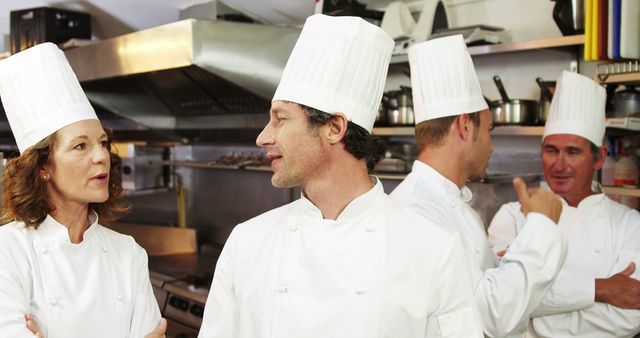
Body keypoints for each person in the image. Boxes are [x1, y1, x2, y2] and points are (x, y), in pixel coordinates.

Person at [198, 14, 482, 338]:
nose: (263, 137)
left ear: (334, 128)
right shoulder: (247, 242)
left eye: (280, 119)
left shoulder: (433, 249)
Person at [390, 34, 568, 338]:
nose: (491, 147)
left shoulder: (453, 204)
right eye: (488, 131)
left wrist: (507, 258)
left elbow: (478, 288)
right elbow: (487, 315)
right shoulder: (417, 210)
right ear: (464, 126)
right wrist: (542, 225)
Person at [0, 43, 166, 337]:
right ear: (43, 167)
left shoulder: (128, 254)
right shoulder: (9, 250)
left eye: (102, 142)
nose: (101, 156)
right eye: (80, 146)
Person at [488, 71, 640, 337]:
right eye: (551, 150)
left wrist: (533, 320)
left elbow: (630, 316)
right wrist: (601, 289)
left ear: (599, 157)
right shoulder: (512, 217)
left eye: (572, 152)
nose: (559, 165)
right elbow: (499, 303)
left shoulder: (630, 225)